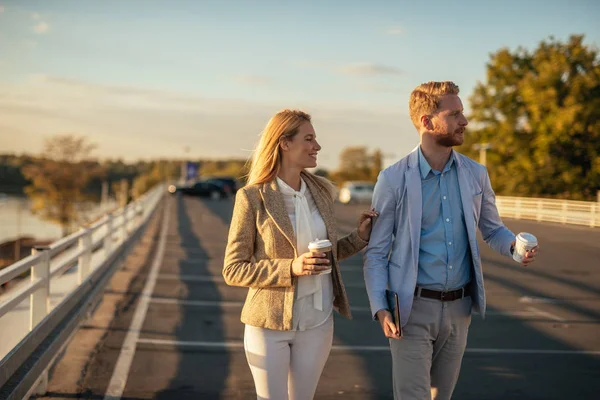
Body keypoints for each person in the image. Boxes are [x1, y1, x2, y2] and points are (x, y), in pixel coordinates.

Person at [363, 81, 539, 400]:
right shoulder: (393, 179)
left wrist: (513, 246)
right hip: (411, 309)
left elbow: (492, 229)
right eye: (455, 113)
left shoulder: (476, 174)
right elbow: (375, 253)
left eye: (463, 112)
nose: (465, 121)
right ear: (427, 122)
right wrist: (380, 306)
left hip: (460, 310)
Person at [223, 109, 378, 400]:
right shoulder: (252, 198)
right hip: (269, 325)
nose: (316, 146)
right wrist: (291, 268)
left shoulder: (320, 190)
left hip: (318, 323)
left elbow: (326, 255)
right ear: (284, 142)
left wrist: (360, 238)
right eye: (308, 139)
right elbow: (233, 269)